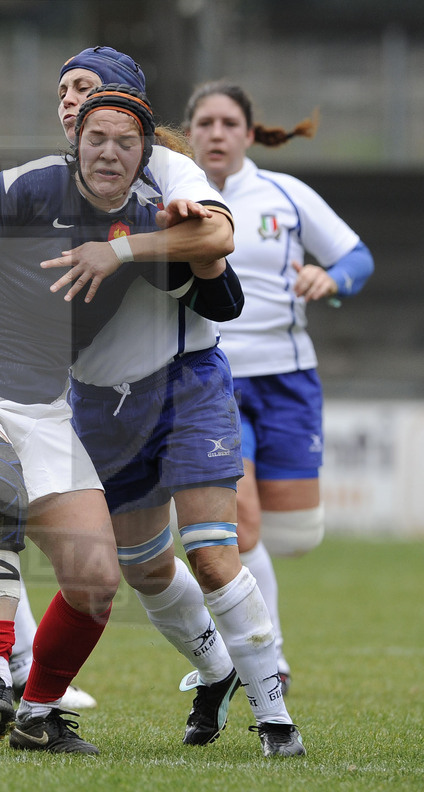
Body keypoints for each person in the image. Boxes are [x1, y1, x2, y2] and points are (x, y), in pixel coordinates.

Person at [0, 84, 240, 755]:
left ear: (145, 153)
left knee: (97, 578)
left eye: (125, 142)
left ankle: (38, 716)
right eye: (95, 136)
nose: (108, 151)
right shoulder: (28, 185)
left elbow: (222, 282)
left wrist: (183, 233)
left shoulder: (147, 224)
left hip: (44, 406)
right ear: (75, 143)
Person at [51, 47, 306, 758]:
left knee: (213, 553)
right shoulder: (47, 188)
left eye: (88, 87)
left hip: (186, 381)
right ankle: (215, 668)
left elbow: (218, 235)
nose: (72, 99)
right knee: (144, 567)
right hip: (102, 402)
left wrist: (128, 249)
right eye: (64, 88)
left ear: (129, 102)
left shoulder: (171, 167)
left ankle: (275, 717)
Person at [183, 80, 374, 694]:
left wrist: (330, 279)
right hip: (213, 379)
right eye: (205, 123)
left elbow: (357, 257)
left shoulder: (285, 196)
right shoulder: (173, 196)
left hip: (290, 378)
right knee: (243, 527)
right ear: (189, 134)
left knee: (295, 535)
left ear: (247, 132)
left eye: (227, 123)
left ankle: (253, 643)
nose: (216, 133)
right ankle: (271, 661)